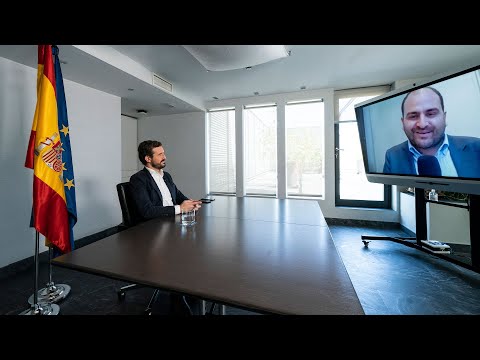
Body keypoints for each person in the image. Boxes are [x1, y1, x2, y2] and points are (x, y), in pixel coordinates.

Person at [129, 140, 202, 315]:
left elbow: (179, 196)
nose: (165, 157)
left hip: (171, 224)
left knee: (196, 246)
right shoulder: (138, 179)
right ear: (148, 158)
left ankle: (190, 287)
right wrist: (180, 208)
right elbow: (147, 211)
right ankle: (176, 295)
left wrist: (191, 203)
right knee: (181, 253)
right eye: (160, 154)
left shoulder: (166, 176)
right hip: (151, 230)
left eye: (164, 153)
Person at [383, 86, 480, 177]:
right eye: (413, 116)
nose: (422, 124)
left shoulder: (476, 147)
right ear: (403, 122)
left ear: (444, 117)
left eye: (431, 114)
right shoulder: (392, 156)